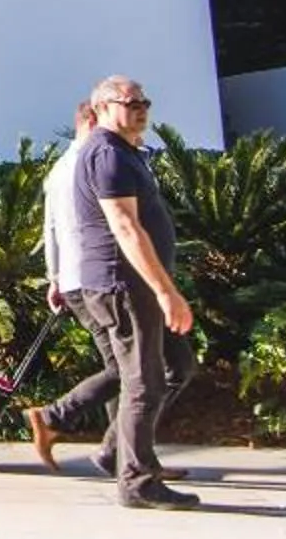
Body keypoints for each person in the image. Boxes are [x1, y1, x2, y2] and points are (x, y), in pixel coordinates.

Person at [64, 74, 202, 509]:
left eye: (145, 101)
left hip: (133, 283)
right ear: (101, 108)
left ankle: (115, 453)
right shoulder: (108, 155)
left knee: (176, 366)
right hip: (122, 285)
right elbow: (125, 227)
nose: (140, 108)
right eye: (129, 102)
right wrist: (165, 292)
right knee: (143, 381)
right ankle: (137, 481)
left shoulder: (127, 153)